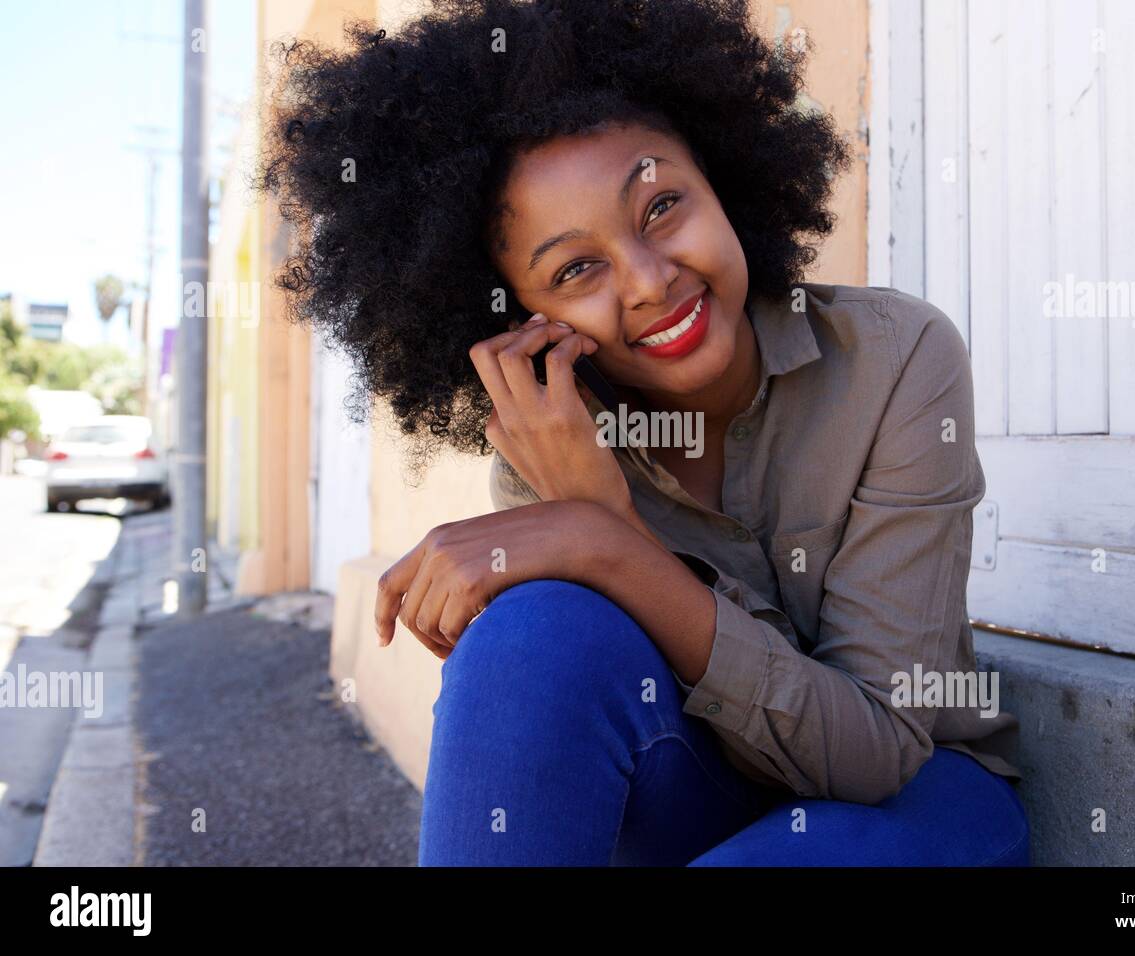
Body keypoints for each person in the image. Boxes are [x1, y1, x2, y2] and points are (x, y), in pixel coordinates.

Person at [253, 0, 1032, 867]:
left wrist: (608, 540)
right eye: (576, 268)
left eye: (661, 206)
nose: (650, 281)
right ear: (523, 318)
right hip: (701, 796)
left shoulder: (895, 360)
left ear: (722, 178)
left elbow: (873, 752)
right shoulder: (550, 445)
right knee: (532, 633)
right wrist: (588, 523)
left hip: (914, 799)